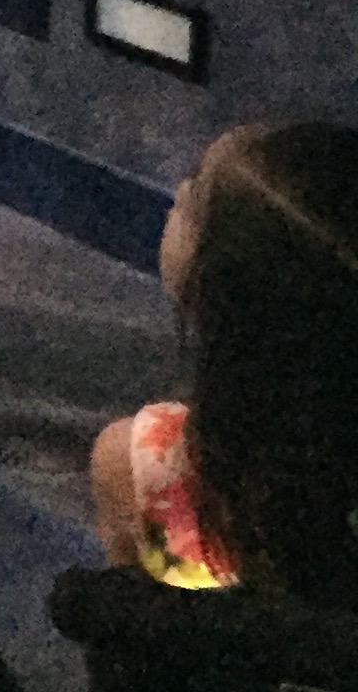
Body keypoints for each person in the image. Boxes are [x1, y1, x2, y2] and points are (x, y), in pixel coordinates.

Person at [91, 122, 358, 599]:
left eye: (195, 197)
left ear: (222, 292)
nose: (178, 191)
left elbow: (135, 628)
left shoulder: (140, 466)